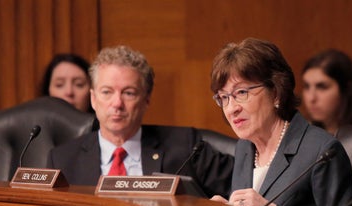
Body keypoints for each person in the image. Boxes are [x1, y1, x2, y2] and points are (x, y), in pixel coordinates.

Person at [209, 38, 352, 206]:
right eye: (224, 97)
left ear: (276, 92)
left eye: (241, 93)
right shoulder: (244, 147)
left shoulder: (321, 150)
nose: (231, 108)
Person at [47, 45, 234, 198]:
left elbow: (244, 181)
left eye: (128, 93)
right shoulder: (63, 160)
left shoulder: (185, 146)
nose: (117, 103)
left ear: (146, 100)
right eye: (107, 92)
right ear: (93, 99)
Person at [301, 49, 352, 136]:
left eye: (322, 87)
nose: (311, 98)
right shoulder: (301, 132)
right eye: (307, 86)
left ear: (346, 89)